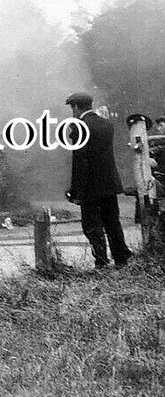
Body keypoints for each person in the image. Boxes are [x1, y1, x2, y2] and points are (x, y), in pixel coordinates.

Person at [65, 91, 131, 269]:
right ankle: (121, 259)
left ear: (76, 107)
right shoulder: (107, 124)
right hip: (109, 184)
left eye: (72, 108)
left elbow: (81, 161)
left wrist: (76, 191)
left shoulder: (80, 127)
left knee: (92, 225)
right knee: (112, 222)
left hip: (90, 187)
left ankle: (101, 261)